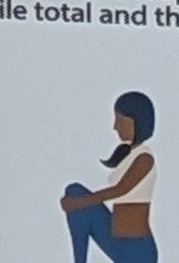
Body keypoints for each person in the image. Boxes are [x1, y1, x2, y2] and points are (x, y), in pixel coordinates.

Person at [59, 91, 161, 263]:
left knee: (77, 200)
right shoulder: (128, 155)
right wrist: (78, 201)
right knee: (74, 190)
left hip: (137, 247)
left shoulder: (145, 158)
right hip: (115, 238)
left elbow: (120, 190)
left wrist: (80, 203)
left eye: (120, 121)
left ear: (136, 122)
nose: (115, 127)